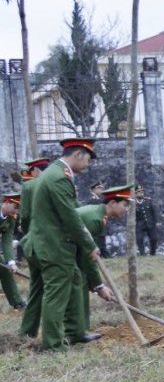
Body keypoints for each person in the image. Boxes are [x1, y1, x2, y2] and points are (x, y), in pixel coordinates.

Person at [28, 138, 113, 350]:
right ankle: (53, 345)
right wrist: (89, 245)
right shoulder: (59, 177)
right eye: (87, 159)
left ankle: (75, 332)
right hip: (54, 246)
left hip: (54, 244)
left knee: (75, 281)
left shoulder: (55, 173)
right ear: (77, 154)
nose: (87, 164)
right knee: (56, 294)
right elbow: (69, 216)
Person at [71, 185, 132, 336]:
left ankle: (80, 331)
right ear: (112, 203)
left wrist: (94, 283)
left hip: (61, 248)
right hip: (51, 248)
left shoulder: (98, 215)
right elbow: (88, 256)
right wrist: (99, 285)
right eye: (124, 205)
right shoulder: (94, 219)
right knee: (79, 282)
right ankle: (77, 332)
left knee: (82, 280)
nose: (127, 210)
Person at [17, 157, 50, 338]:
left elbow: (26, 215)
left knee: (37, 287)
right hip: (54, 244)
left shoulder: (29, 186)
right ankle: (70, 330)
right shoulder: (58, 182)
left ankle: (27, 331)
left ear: (36, 171)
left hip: (34, 244)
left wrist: (28, 234)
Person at [0, 192, 26, 310]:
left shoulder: (11, 219)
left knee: (5, 268)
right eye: (15, 207)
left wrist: (11, 262)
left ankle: (17, 301)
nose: (16, 211)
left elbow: (6, 241)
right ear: (6, 202)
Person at [135, 186, 160, 256]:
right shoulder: (133, 204)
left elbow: (154, 212)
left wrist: (156, 221)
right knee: (139, 239)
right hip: (140, 224)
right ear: (135, 194)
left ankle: (153, 253)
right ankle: (142, 254)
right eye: (139, 192)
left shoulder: (148, 201)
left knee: (154, 239)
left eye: (142, 192)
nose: (141, 194)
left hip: (150, 223)